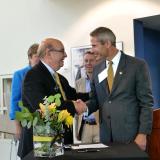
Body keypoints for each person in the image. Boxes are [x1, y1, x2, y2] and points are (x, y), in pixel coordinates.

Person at [77, 27, 153, 151]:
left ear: (107, 43)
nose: (92, 50)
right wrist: (84, 107)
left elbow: (146, 103)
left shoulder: (137, 65)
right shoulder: (97, 69)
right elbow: (95, 100)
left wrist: (143, 134)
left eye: (94, 45)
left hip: (132, 137)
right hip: (106, 138)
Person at [18, 38, 89, 159]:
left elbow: (73, 95)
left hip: (58, 145)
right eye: (62, 51)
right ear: (48, 54)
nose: (65, 55)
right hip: (40, 147)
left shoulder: (59, 78)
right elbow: (44, 108)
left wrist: (97, 94)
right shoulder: (33, 76)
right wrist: (73, 106)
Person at [9, 43, 39, 140]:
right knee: (27, 154)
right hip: (26, 123)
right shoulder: (19, 75)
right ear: (30, 58)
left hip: (43, 123)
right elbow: (15, 101)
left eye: (41, 56)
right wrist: (17, 127)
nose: (39, 59)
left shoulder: (44, 75)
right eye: (36, 56)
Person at [75, 51, 100, 143]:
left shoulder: (103, 81)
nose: (88, 63)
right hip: (84, 126)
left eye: (91, 60)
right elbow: (76, 105)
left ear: (96, 62)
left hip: (100, 126)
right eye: (86, 61)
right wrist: (76, 131)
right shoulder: (78, 83)